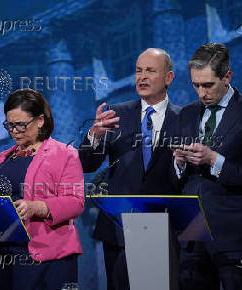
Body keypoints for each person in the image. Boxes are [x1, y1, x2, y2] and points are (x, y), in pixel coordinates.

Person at [172, 43, 242, 290]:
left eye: (208, 85)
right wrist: (178, 164)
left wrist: (213, 160)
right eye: (196, 85)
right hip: (192, 239)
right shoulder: (186, 114)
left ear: (227, 76)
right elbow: (176, 181)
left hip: (236, 240)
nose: (201, 93)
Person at [79, 48, 181, 290]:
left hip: (165, 231)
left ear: (169, 78)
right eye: (138, 71)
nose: (142, 77)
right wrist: (93, 135)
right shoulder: (116, 115)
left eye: (150, 71)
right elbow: (86, 164)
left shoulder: (184, 118)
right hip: (119, 230)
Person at [0, 89, 84, 290]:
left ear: (40, 120)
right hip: (4, 255)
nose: (14, 131)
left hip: (50, 258)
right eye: (9, 125)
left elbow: (76, 202)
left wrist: (37, 207)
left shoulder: (65, 154)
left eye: (21, 124)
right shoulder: (1, 158)